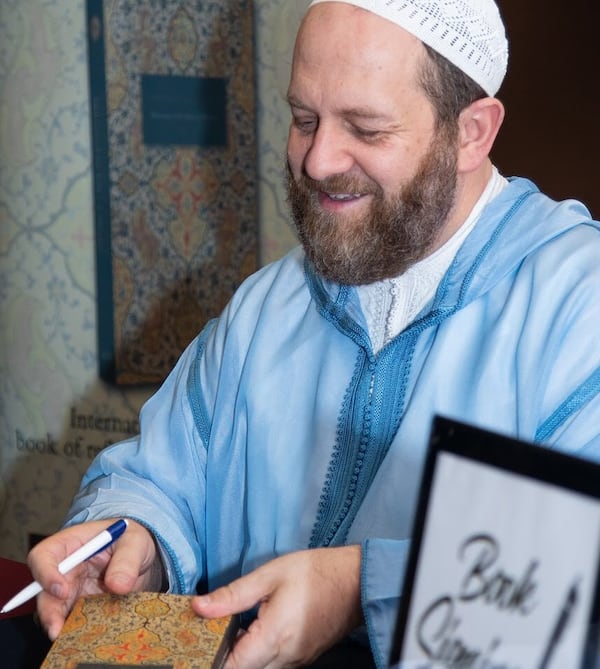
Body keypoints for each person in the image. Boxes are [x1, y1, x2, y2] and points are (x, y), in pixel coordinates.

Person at [26, 0, 600, 667]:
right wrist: (138, 541)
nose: (319, 160)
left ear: (472, 132)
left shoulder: (576, 306)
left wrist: (363, 588)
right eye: (304, 119)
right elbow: (159, 478)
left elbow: (579, 577)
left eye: (365, 127)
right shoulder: (267, 305)